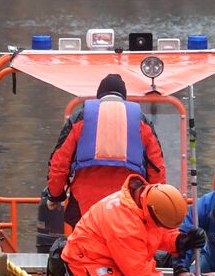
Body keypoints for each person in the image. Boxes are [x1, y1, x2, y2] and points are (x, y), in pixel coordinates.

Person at [42, 73, 167, 235]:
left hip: (84, 206)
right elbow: (156, 168)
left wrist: (55, 195)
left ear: (99, 96)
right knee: (125, 249)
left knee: (85, 251)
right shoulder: (142, 122)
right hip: (127, 205)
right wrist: (156, 204)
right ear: (124, 97)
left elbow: (60, 162)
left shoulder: (80, 118)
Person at [60, 175, 207, 276]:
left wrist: (180, 241)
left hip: (111, 256)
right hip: (87, 262)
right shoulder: (125, 225)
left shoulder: (145, 202)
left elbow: (157, 230)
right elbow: (139, 274)